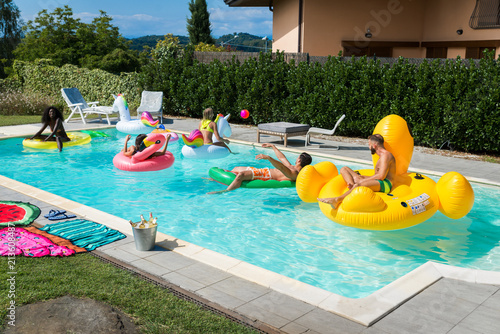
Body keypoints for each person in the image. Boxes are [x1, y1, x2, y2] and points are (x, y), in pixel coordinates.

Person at [318, 134, 396, 209]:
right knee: (344, 169)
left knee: (359, 183)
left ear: (374, 145)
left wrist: (363, 180)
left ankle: (337, 200)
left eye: (369, 144)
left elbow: (381, 176)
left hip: (386, 184)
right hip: (378, 181)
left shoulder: (386, 156)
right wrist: (360, 178)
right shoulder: (382, 156)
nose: (369, 147)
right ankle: (352, 186)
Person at [209, 143, 312, 194]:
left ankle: (225, 191)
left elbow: (280, 167)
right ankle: (217, 179)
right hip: (263, 171)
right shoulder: (292, 167)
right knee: (237, 168)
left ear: (299, 161)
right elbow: (282, 158)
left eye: (298, 157)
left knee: (241, 175)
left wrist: (268, 158)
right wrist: (273, 146)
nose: (296, 158)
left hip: (265, 176)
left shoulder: (294, 173)